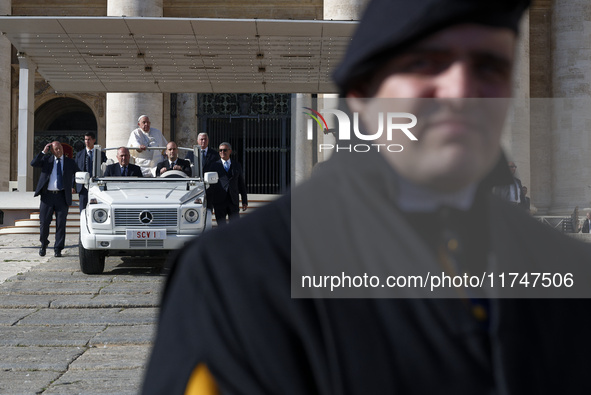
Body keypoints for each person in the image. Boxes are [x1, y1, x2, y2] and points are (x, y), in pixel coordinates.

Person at [143, 1, 591, 394]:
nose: (461, 91)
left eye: (488, 66)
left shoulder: (565, 267)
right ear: (361, 94)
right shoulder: (238, 277)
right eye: (427, 62)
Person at [31, 141, 80, 257]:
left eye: (60, 148)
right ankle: (43, 244)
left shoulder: (70, 162)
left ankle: (58, 248)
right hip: (47, 196)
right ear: (52, 150)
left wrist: (74, 187)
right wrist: (43, 152)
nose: (59, 151)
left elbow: (78, 174)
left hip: (62, 196)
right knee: (44, 223)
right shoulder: (46, 160)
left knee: (61, 224)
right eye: (56, 149)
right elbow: (33, 163)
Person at [210, 142, 248, 225]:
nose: (222, 152)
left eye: (224, 150)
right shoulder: (214, 165)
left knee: (235, 227)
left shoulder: (236, 165)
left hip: (233, 200)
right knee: (221, 227)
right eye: (220, 150)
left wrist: (244, 200)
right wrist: (210, 202)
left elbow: (241, 183)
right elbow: (211, 185)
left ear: (230, 151)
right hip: (219, 201)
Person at [74, 131, 107, 212]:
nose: (87, 142)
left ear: (94, 140)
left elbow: (105, 168)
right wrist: (72, 186)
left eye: (89, 139)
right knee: (83, 209)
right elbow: (75, 170)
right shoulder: (79, 154)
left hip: (97, 185)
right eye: (85, 139)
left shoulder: (101, 154)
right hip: (83, 186)